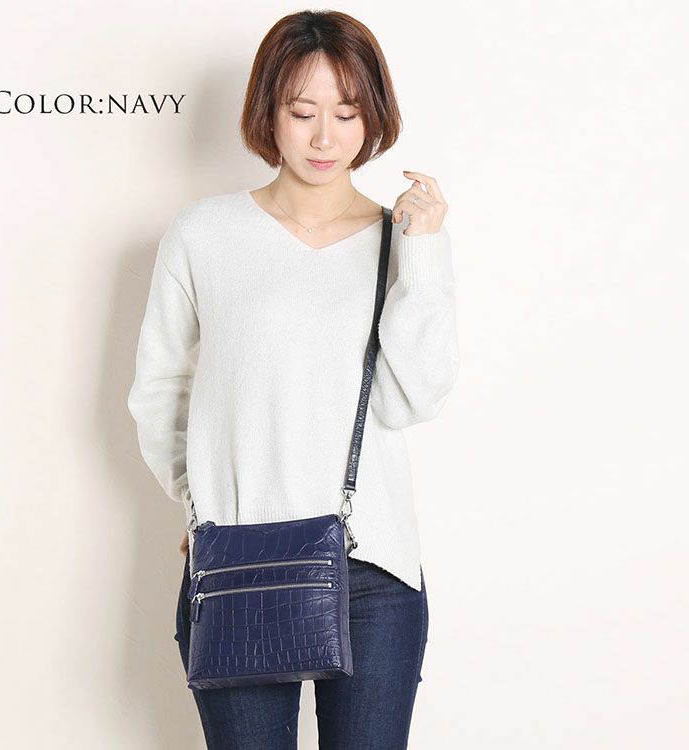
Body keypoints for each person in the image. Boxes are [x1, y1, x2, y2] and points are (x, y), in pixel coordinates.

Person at [127, 9, 459, 749]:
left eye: (347, 113)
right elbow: (160, 388)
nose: (324, 138)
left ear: (373, 116)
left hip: (373, 567)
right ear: (267, 112)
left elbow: (414, 396)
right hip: (238, 556)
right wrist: (201, 503)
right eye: (302, 112)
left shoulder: (401, 241)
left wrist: (425, 252)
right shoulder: (204, 234)